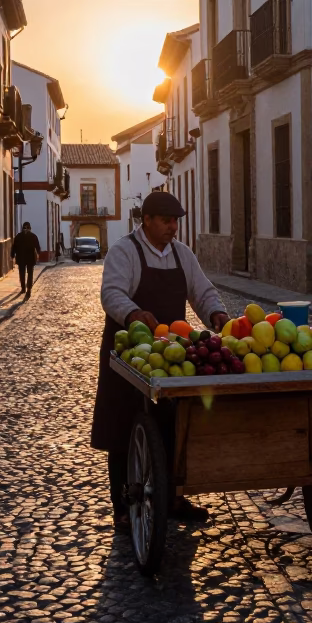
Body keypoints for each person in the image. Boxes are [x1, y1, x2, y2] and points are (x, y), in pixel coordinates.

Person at [94, 191, 230, 528]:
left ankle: (174, 497)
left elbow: (202, 290)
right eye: (167, 221)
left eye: (176, 221)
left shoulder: (182, 254)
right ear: (148, 221)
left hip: (171, 354)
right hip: (130, 353)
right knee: (123, 426)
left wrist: (216, 314)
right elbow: (111, 293)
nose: (173, 227)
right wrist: (133, 313)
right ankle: (123, 506)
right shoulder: (125, 251)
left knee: (176, 423)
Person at [11, 221, 41, 298]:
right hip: (29, 258)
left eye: (26, 228)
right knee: (28, 274)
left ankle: (25, 288)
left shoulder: (19, 236)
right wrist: (38, 254)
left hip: (22, 258)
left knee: (23, 273)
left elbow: (14, 247)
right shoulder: (33, 236)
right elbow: (37, 247)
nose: (26, 230)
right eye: (26, 228)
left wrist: (12, 255)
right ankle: (27, 289)